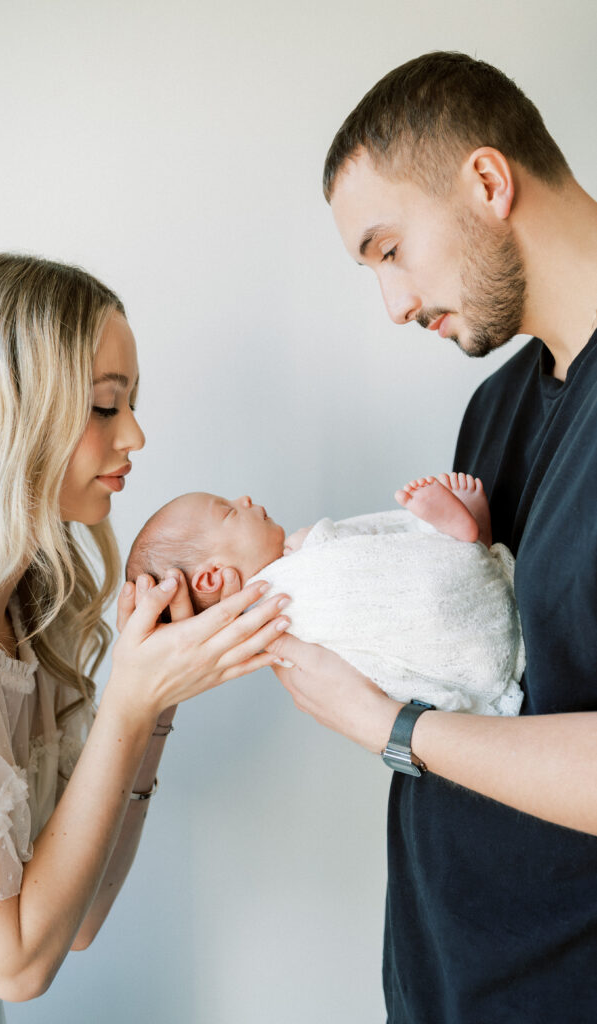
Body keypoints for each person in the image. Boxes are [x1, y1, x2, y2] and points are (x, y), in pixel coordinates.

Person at [266, 51, 597, 1023]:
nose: (395, 304)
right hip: (445, 982)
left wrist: (385, 726)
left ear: (488, 182)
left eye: (388, 249)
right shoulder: (496, 408)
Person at [0, 253, 290, 1022]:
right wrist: (128, 701)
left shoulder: (29, 616)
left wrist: (155, 703)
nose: (137, 436)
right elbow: (16, 966)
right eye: (102, 406)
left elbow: (75, 923)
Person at [127, 474, 524, 715]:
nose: (244, 500)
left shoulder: (294, 569)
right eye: (228, 511)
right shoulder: (281, 610)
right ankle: (460, 542)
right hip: (442, 623)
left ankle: (459, 543)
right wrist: (317, 543)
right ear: (212, 578)